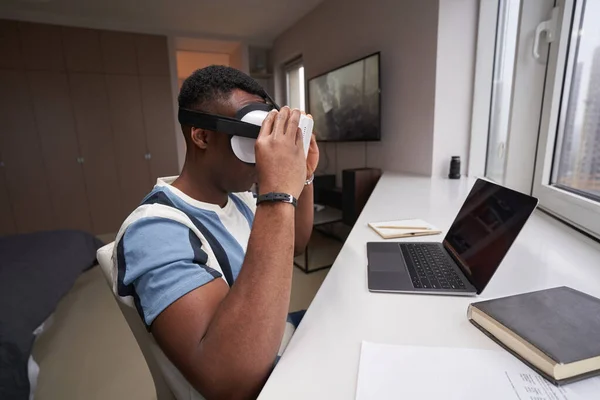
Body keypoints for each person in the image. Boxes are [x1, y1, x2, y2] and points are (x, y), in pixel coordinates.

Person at [111, 65, 319, 399]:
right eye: (253, 139)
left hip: (276, 339)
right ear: (202, 135)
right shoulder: (154, 231)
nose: (262, 155)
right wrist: (277, 192)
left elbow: (296, 243)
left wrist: (303, 177)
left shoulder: (239, 200)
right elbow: (230, 381)